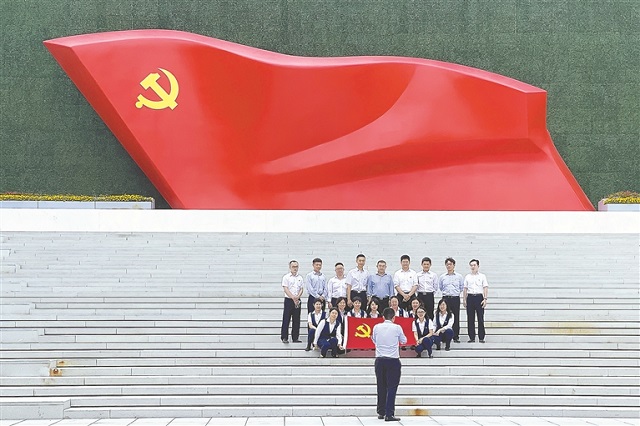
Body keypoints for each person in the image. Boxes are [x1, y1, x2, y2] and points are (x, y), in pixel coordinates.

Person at [372, 307, 407, 422]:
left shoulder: (376, 327)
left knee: (381, 386)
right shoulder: (397, 327)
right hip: (393, 359)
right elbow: (404, 340)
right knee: (391, 387)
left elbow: (374, 340)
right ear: (393, 317)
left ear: (383, 317)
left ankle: (381, 411)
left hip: (380, 359)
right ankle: (389, 413)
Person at [439, 257, 464, 343]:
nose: (449, 266)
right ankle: (445, 336)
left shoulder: (459, 276)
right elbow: (440, 287)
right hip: (446, 298)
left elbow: (461, 287)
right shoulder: (442, 277)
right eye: (447, 264)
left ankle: (455, 336)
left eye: (450, 264)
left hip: (455, 298)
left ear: (454, 265)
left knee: (456, 317)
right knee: (445, 316)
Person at [463, 259, 489, 343]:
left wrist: (485, 299)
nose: (473, 267)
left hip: (479, 297)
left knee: (480, 318)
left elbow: (485, 287)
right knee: (470, 318)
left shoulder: (482, 276)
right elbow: (465, 289)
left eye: (474, 265)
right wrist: (464, 299)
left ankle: (481, 337)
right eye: (471, 265)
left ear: (478, 266)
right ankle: (472, 337)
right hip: (470, 297)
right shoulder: (467, 276)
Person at [281, 260, 304, 344]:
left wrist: (298, 297)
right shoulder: (286, 277)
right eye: (293, 267)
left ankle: (295, 337)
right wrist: (292, 297)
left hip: (297, 300)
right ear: (290, 267)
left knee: (296, 319)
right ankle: (284, 337)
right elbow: (285, 288)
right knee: (286, 318)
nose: (295, 268)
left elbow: (301, 289)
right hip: (289, 300)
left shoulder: (300, 277)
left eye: (296, 266)